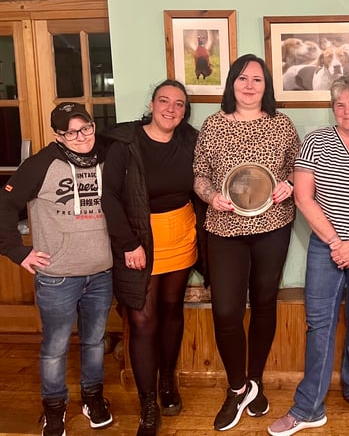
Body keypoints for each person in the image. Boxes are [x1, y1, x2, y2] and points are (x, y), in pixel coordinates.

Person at [268, 75, 349, 436]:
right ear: (333, 108)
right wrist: (338, 243)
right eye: (340, 104)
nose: (347, 110)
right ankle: (309, 407)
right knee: (318, 324)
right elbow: (303, 197)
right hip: (326, 248)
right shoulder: (316, 141)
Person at [193, 53, 300, 432]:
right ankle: (235, 387)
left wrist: (289, 185)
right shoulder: (213, 124)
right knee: (226, 310)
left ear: (266, 85)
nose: (250, 85)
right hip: (224, 228)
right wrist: (210, 196)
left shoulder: (282, 125)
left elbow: (295, 170)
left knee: (265, 303)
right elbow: (200, 174)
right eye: (242, 78)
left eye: (257, 79)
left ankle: (254, 382)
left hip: (273, 225)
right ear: (231, 84)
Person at [0, 103, 113, 435]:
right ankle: (54, 408)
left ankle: (93, 398)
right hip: (57, 276)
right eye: (71, 132)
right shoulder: (40, 165)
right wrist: (16, 251)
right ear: (57, 135)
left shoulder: (108, 155)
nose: (81, 137)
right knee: (55, 347)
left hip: (101, 272)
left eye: (86, 128)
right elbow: (5, 205)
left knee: (94, 342)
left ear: (93, 125)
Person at [101, 79, 203, 436]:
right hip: (139, 239)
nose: (171, 109)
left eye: (179, 104)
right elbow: (109, 196)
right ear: (152, 103)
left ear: (184, 111)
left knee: (172, 310)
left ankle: (167, 384)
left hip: (180, 234)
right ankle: (147, 404)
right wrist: (129, 244)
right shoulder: (126, 143)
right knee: (142, 319)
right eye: (164, 101)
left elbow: (204, 184)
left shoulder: (191, 140)